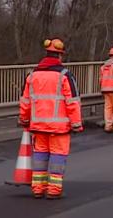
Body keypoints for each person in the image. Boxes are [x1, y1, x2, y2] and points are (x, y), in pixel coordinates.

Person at [18, 38, 83, 199]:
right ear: (60, 56)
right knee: (57, 156)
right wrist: (76, 124)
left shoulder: (32, 76)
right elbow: (73, 102)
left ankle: (38, 188)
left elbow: (25, 101)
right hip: (59, 128)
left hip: (38, 126)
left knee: (40, 156)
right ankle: (54, 190)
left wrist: (24, 119)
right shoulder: (65, 76)